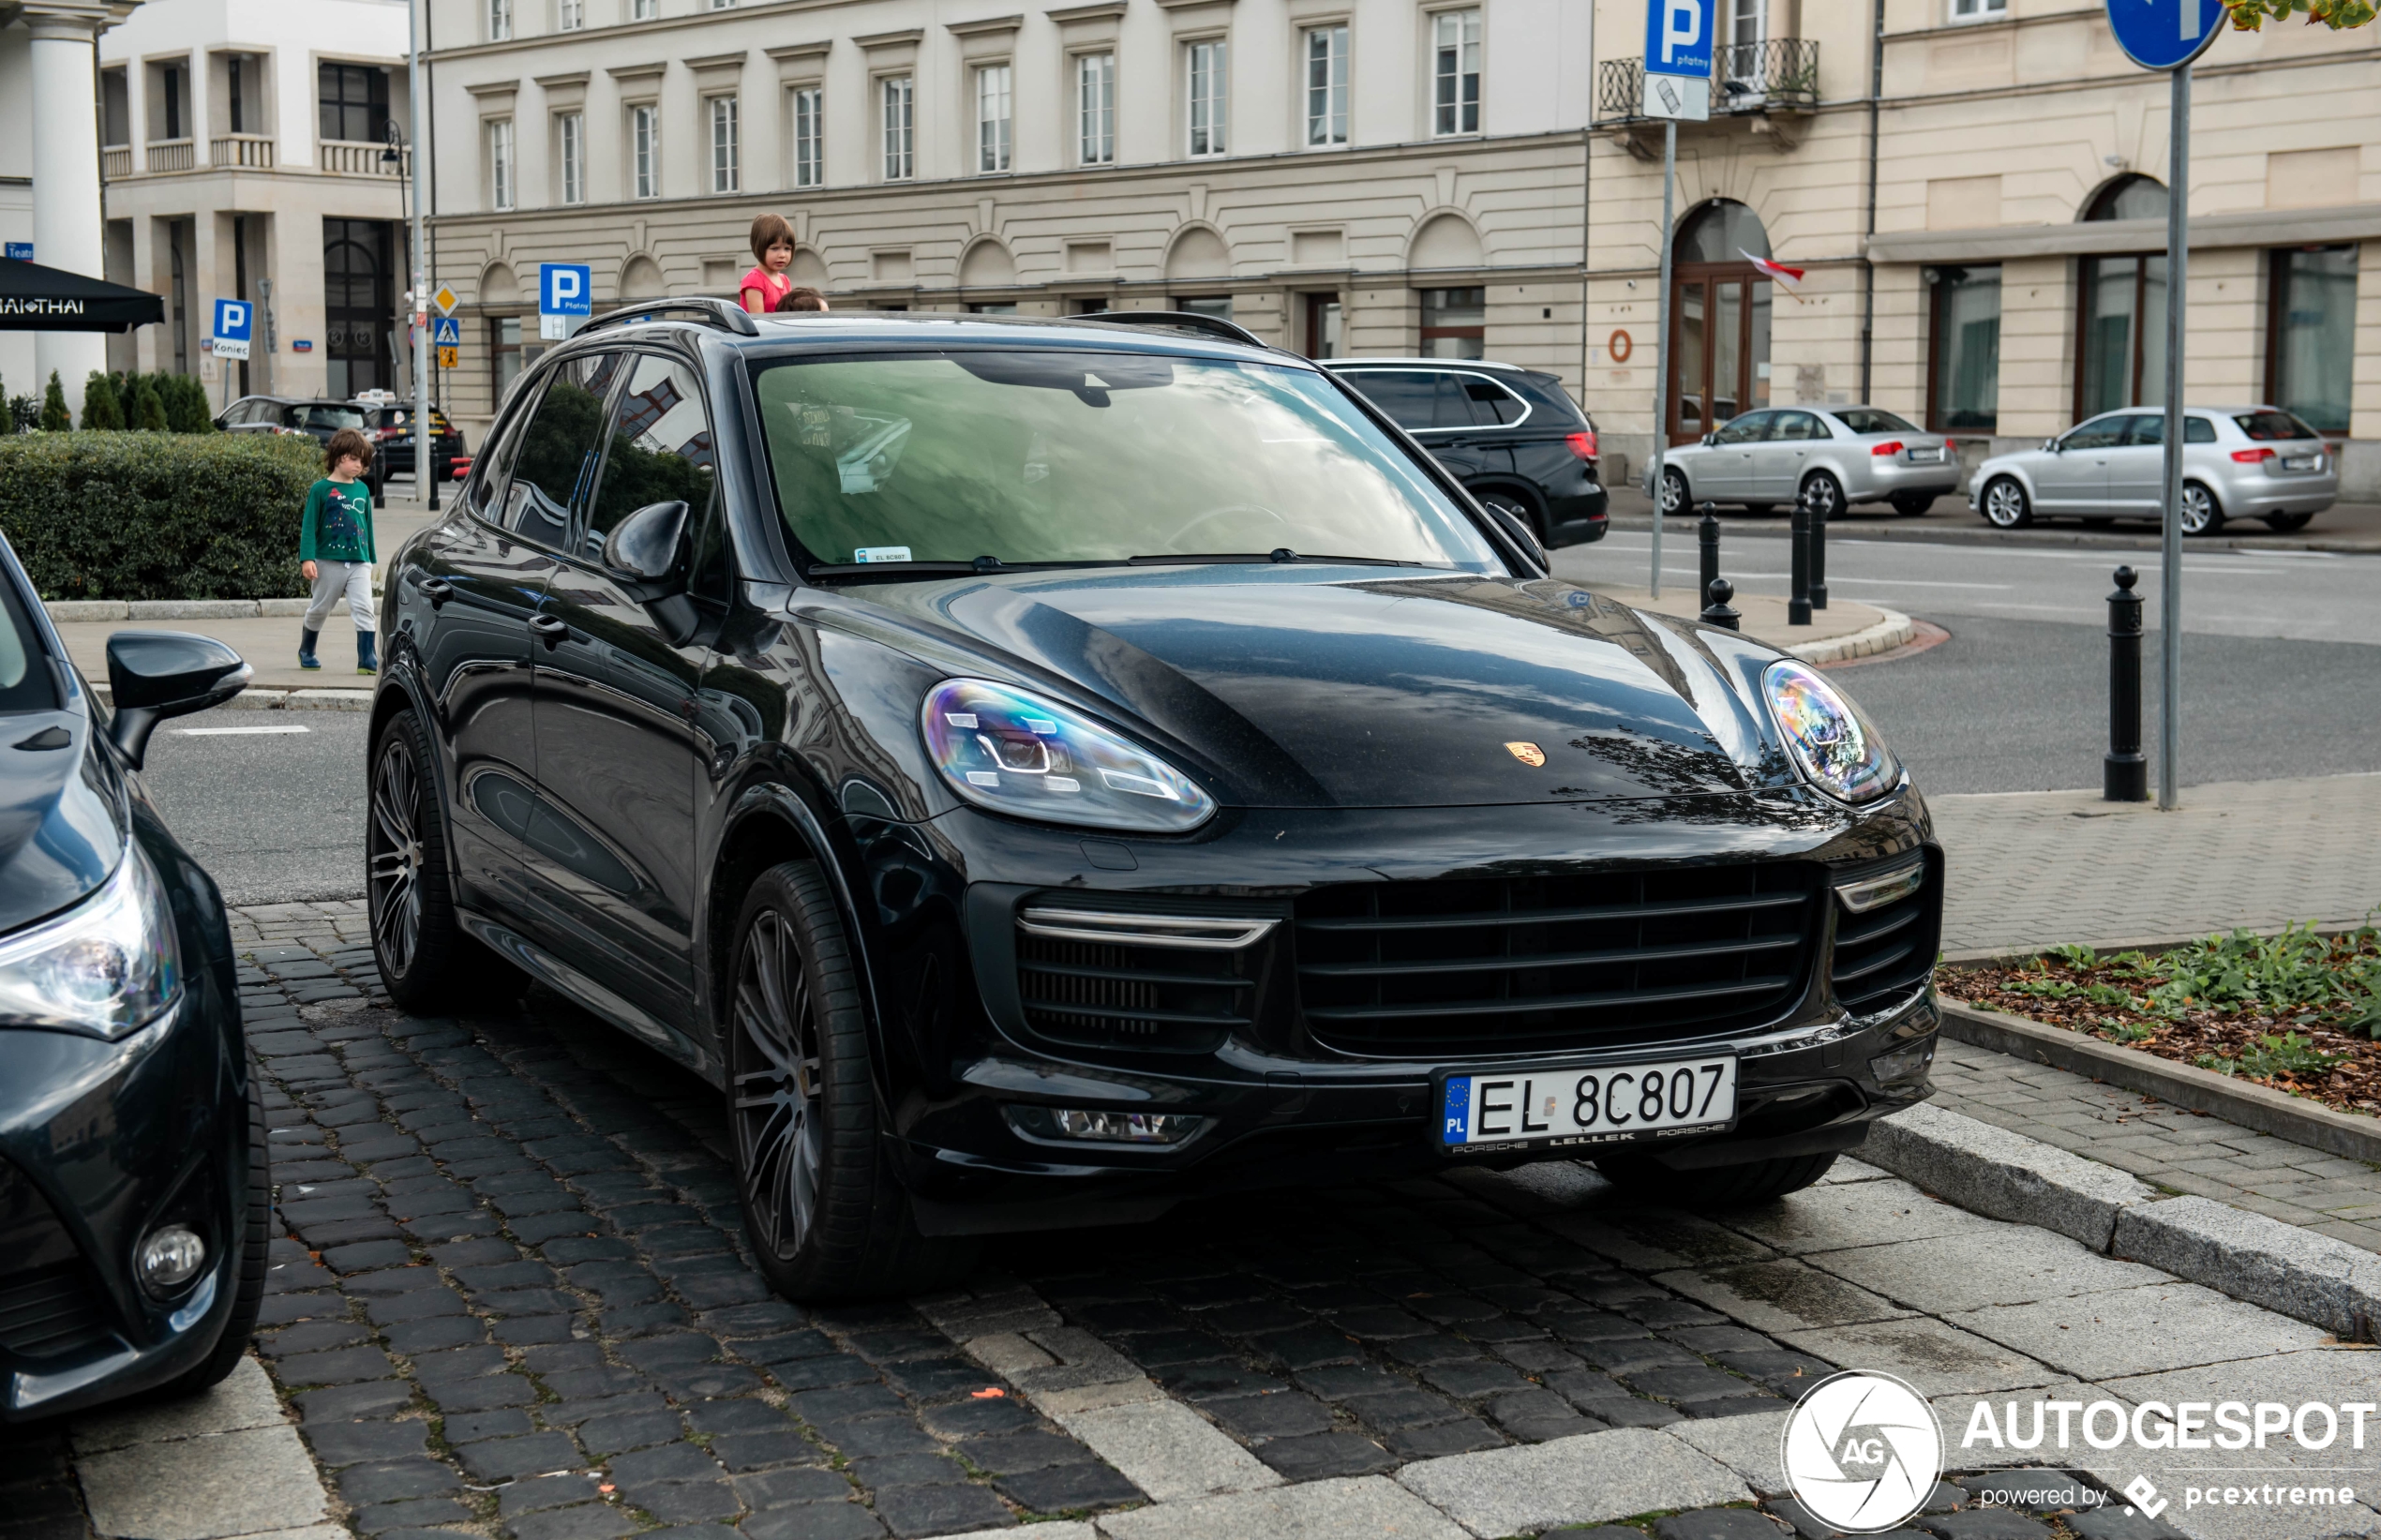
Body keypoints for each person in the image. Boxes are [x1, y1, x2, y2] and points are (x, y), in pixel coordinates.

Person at [298, 427, 379, 675]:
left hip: (358, 562)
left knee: (365, 607)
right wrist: (307, 559)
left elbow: (367, 525)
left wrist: (370, 558)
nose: (358, 465)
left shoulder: (362, 490)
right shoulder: (320, 489)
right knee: (320, 609)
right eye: (354, 459)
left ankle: (367, 658)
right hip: (327, 562)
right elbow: (309, 527)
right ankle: (307, 650)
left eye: (362, 461)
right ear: (337, 456)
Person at [741, 214, 798, 315]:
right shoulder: (755, 280)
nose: (782, 255)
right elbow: (759, 321)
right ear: (760, 248)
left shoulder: (785, 280)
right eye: (775, 248)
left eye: (787, 249)